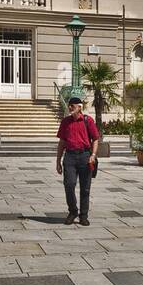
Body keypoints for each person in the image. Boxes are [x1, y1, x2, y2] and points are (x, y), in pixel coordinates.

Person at [55, 95, 100, 226]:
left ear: (79, 107)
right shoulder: (65, 122)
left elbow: (95, 139)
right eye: (69, 105)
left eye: (72, 106)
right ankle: (73, 211)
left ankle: (83, 216)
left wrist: (93, 155)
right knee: (69, 184)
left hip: (85, 157)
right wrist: (58, 161)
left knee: (85, 188)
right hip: (69, 157)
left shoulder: (88, 120)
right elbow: (61, 142)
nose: (70, 107)